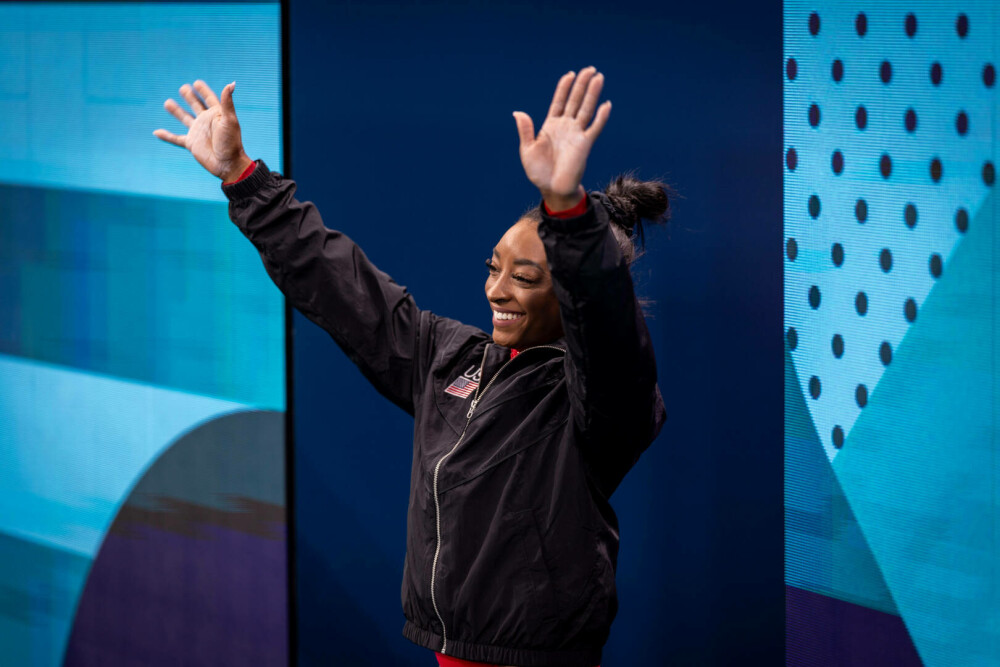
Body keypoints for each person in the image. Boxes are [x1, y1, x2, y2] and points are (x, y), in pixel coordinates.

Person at [154, 66, 668, 667]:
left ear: (570, 293)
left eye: (525, 278)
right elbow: (343, 286)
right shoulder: (451, 356)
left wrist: (568, 213)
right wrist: (245, 179)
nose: (497, 290)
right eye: (493, 266)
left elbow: (606, 332)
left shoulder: (603, 401)